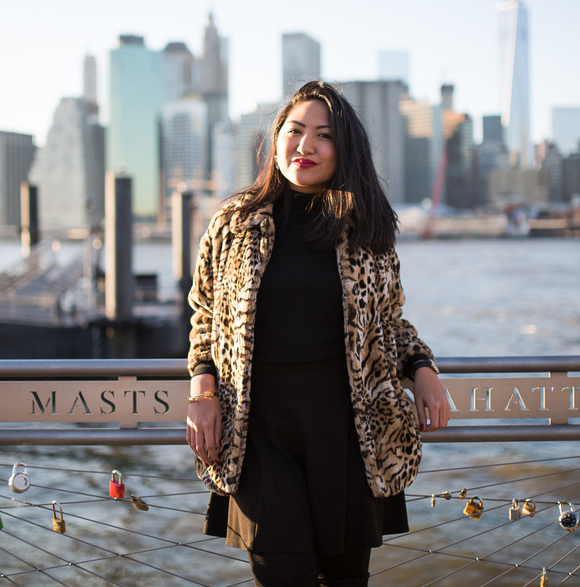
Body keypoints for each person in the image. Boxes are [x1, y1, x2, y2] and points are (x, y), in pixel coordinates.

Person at [186, 81, 449, 587]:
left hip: (348, 432)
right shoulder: (234, 224)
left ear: (344, 150)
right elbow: (204, 317)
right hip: (259, 433)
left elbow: (389, 321)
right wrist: (202, 392)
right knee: (282, 575)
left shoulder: (365, 229)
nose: (305, 145)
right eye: (295, 130)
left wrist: (423, 368)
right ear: (276, 139)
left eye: (324, 135)